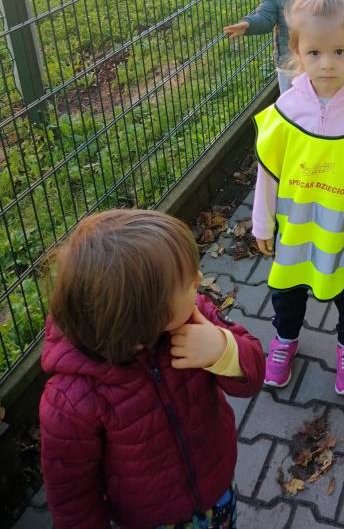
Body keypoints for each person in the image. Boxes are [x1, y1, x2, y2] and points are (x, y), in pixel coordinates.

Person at [39, 209, 265, 529]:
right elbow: (74, 502)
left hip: (217, 488)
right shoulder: (71, 400)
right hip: (152, 520)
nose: (199, 279)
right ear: (146, 315)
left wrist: (223, 349)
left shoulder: (194, 318)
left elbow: (254, 375)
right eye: (186, 282)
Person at [252, 0, 344, 396]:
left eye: (339, 51)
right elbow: (268, 173)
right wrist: (262, 223)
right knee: (287, 292)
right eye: (315, 53)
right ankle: (285, 340)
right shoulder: (284, 111)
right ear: (297, 51)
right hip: (294, 232)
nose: (327, 63)